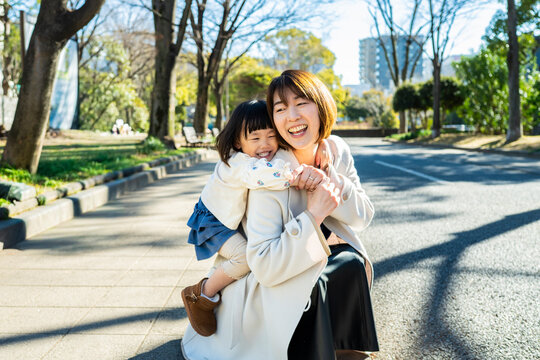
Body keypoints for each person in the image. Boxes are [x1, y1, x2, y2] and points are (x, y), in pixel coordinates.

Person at [181, 70, 378, 360]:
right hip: (258, 264)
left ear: (321, 106)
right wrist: (312, 213)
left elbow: (362, 217)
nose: (292, 116)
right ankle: (203, 295)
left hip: (297, 254)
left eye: (301, 103)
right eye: (281, 108)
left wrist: (330, 179)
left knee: (349, 261)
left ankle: (343, 345)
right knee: (307, 279)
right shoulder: (267, 172)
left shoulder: (335, 150)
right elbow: (265, 266)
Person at [182, 100, 328, 337]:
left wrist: (320, 146)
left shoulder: (250, 156)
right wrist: (295, 176)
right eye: (255, 138)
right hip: (213, 221)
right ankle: (201, 294)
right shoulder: (239, 163)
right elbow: (262, 176)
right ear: (238, 141)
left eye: (271, 136)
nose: (265, 145)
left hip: (223, 218)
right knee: (246, 259)